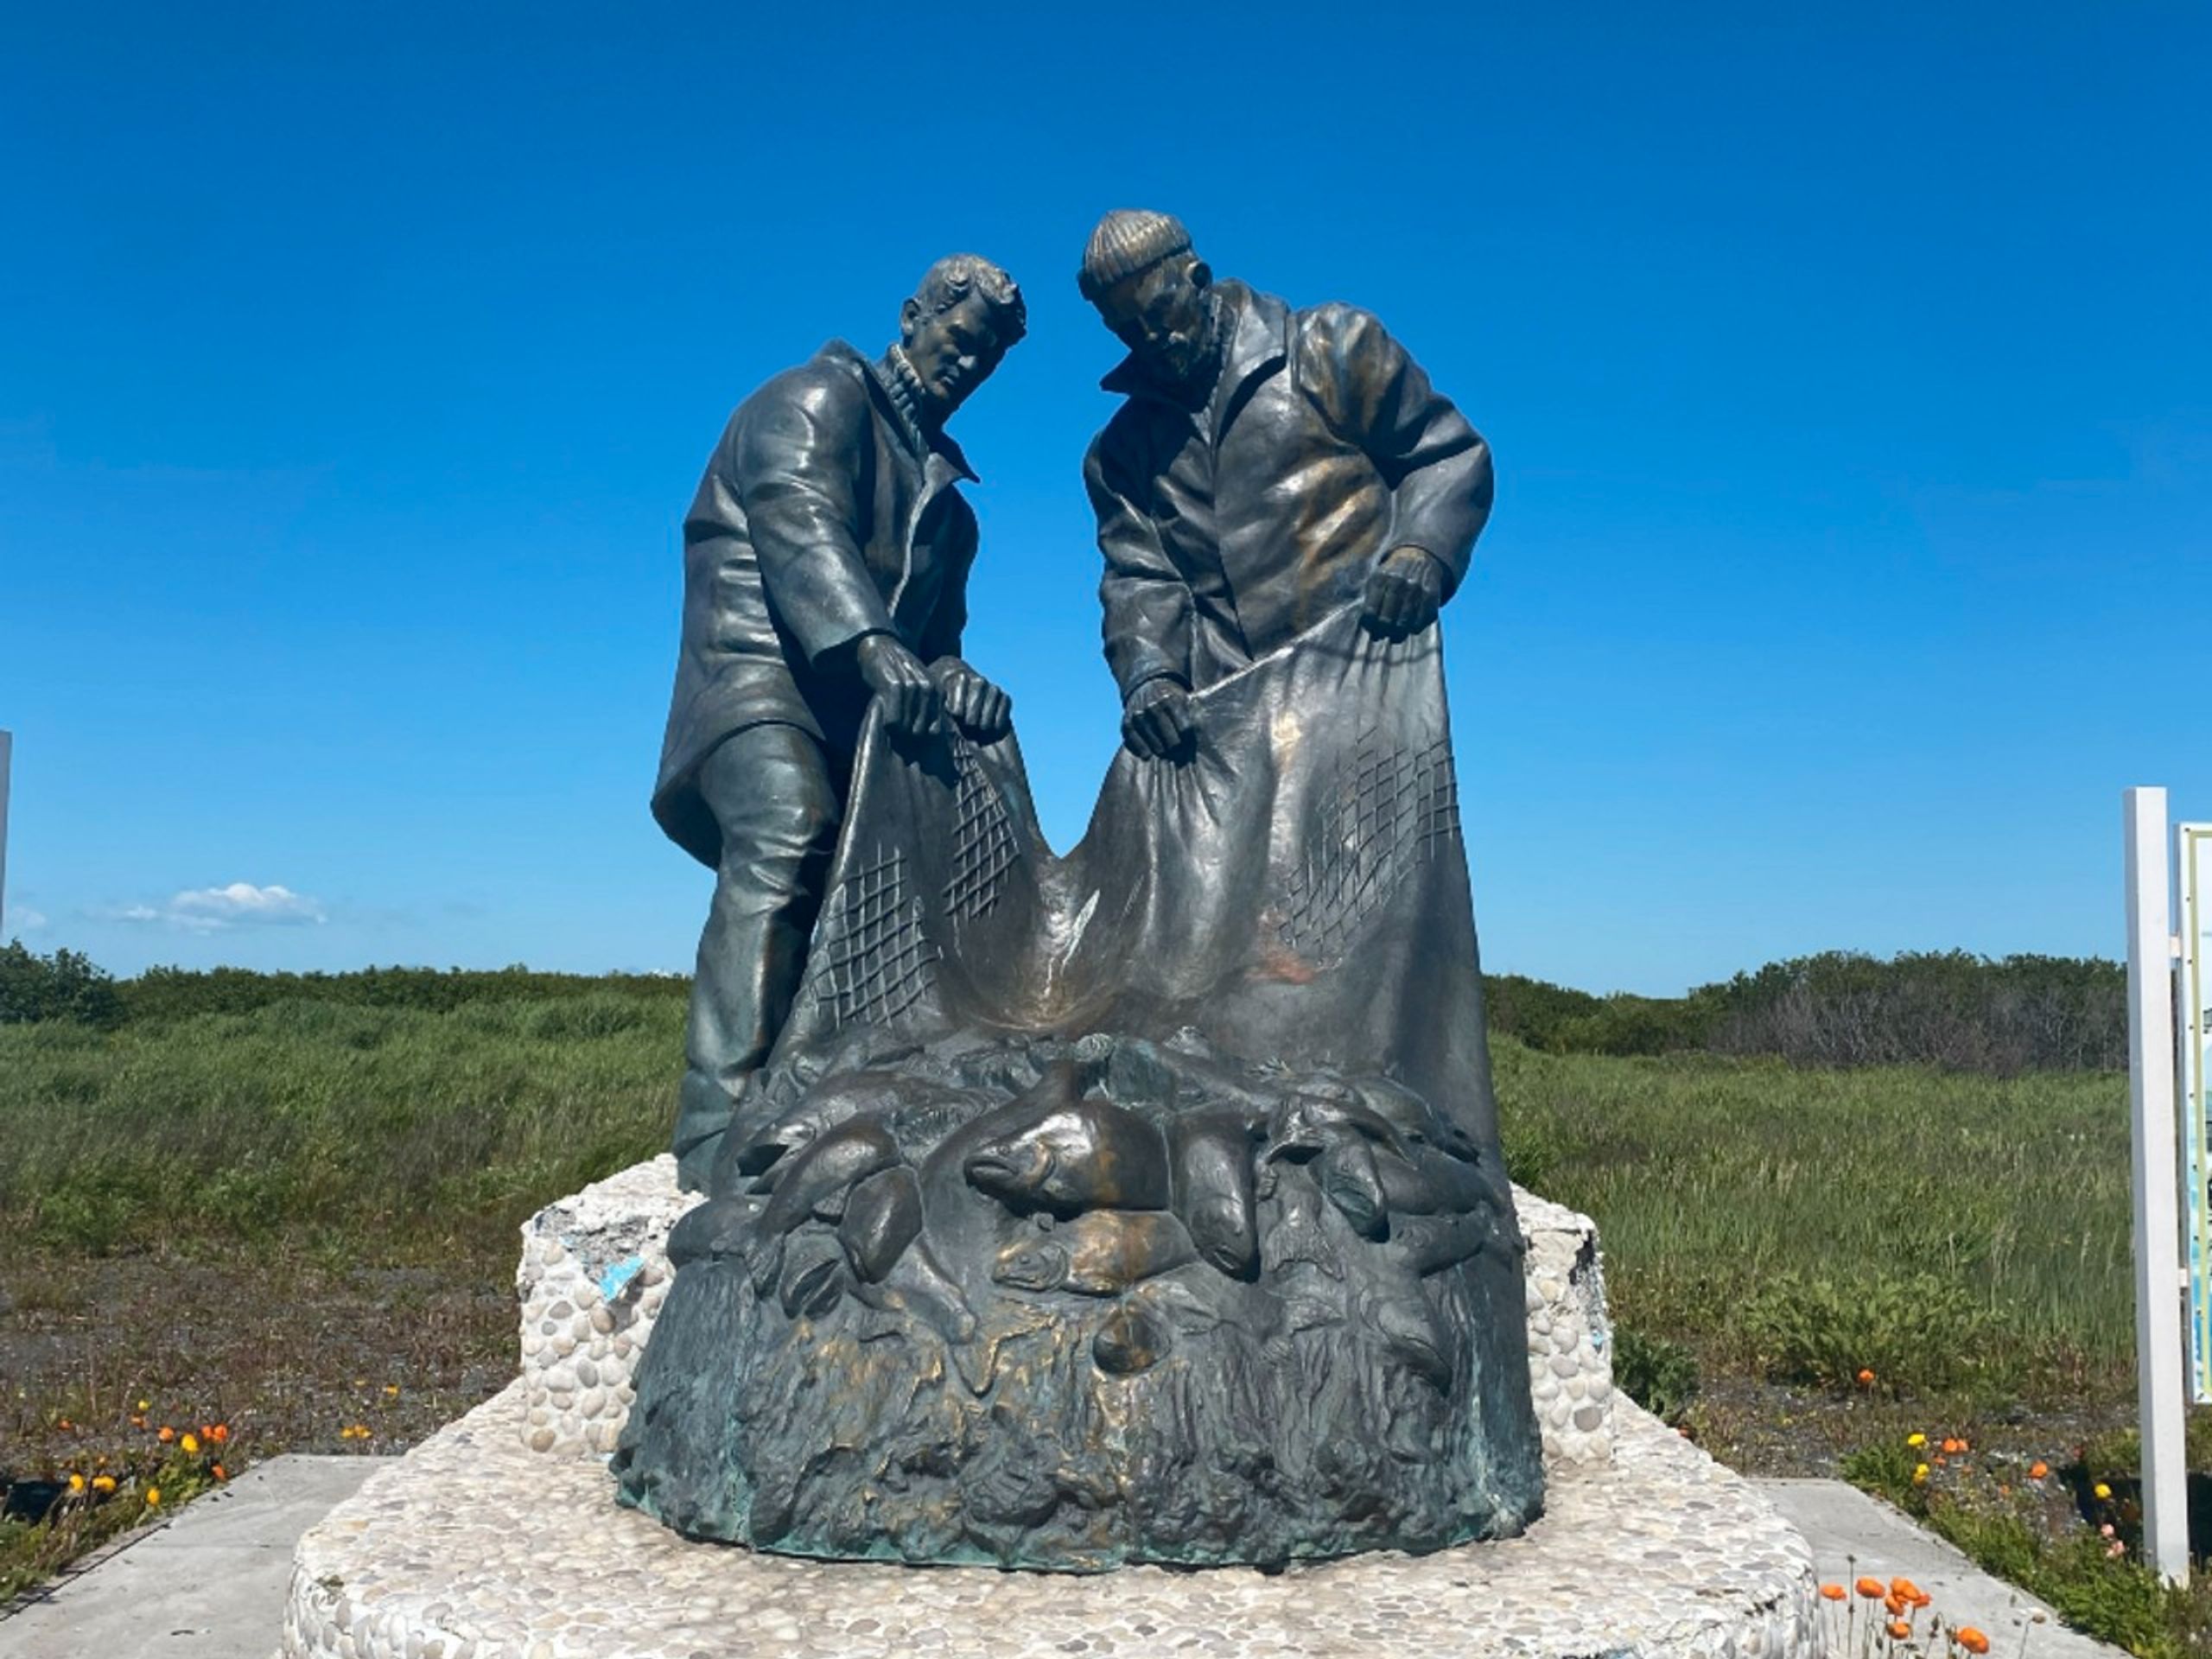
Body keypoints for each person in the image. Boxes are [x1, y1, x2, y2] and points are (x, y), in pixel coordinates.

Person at [652, 255, 1025, 1187]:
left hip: (861, 713)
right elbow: (799, 522)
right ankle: (715, 1129)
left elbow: (935, 640)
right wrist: (868, 640)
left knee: (896, 882)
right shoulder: (817, 399)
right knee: (790, 834)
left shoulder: (951, 509)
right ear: (912, 316)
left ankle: (819, 1089)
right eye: (960, 339)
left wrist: (954, 676)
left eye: (988, 359)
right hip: (754, 681)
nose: (968, 366)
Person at [1077, 210, 1493, 760]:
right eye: (1129, 330)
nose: (1153, 339)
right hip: (1228, 710)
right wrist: (1151, 674)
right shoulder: (1122, 451)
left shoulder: (1333, 347)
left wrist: (1421, 551)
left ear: (1198, 280)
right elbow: (1139, 576)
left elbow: (1447, 455)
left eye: (1161, 312)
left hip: (1361, 672)